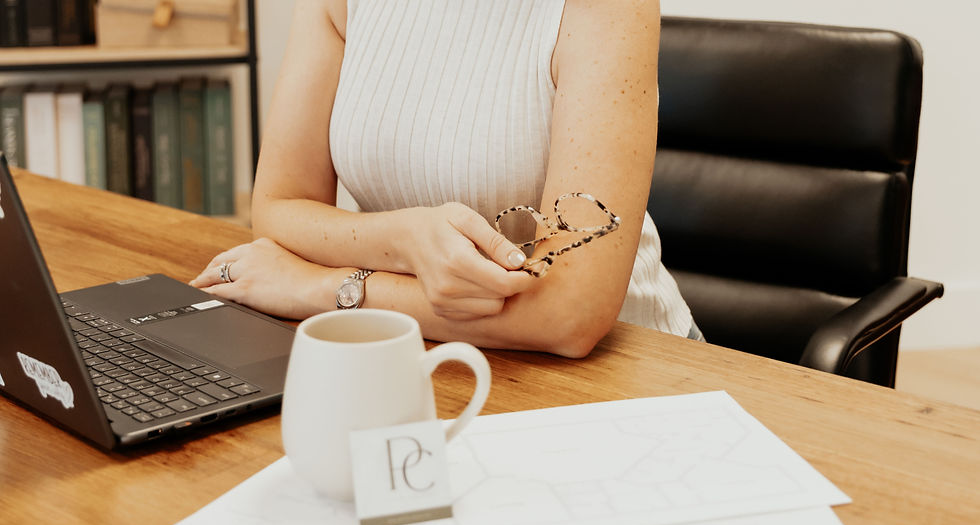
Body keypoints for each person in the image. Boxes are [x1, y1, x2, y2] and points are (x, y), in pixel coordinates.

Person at [191, 0, 697, 357]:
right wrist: (402, 240)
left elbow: (568, 315)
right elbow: (279, 205)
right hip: (419, 352)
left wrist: (319, 286)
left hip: (622, 371)